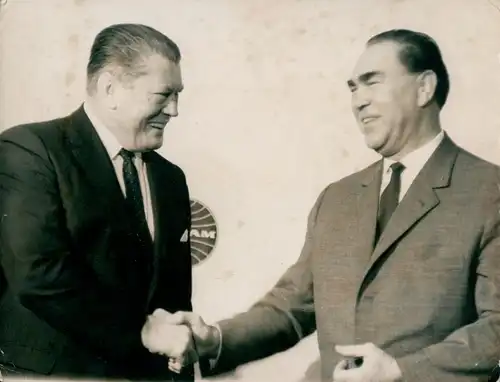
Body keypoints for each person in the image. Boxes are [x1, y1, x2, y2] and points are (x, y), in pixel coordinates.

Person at [141, 29, 500, 382]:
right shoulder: (338, 198)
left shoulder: (488, 190)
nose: (358, 101)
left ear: (424, 87)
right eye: (353, 88)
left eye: (372, 82)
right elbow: (293, 306)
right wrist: (215, 338)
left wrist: (400, 372)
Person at [0, 23, 196, 381]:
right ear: (110, 89)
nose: (174, 110)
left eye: (178, 94)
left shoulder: (171, 180)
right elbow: (38, 274)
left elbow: (173, 298)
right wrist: (144, 331)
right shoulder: (30, 151)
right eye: (164, 95)